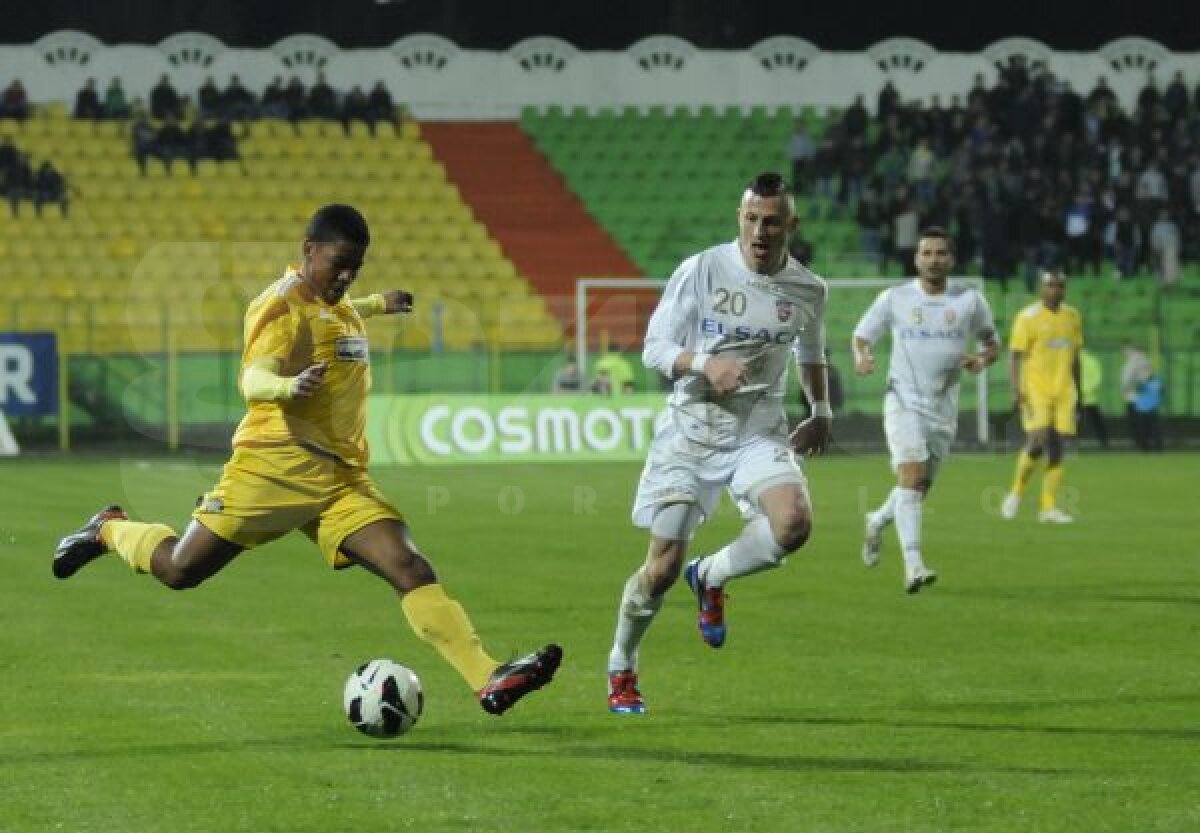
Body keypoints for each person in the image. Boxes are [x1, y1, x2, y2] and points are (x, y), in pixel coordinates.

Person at [51, 204, 561, 717]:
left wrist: (378, 303)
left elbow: (335, 313)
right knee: (181, 570)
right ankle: (109, 530)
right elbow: (253, 378)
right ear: (309, 250)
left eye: (356, 267)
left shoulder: (336, 302)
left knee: (408, 565)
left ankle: (487, 675)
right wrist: (287, 386)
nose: (346, 276)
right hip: (274, 467)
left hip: (339, 479)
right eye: (338, 263)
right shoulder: (278, 307)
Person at [605, 173, 832, 714]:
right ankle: (622, 664)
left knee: (794, 524)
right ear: (740, 217)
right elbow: (655, 347)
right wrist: (705, 363)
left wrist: (821, 411)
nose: (759, 230)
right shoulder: (703, 269)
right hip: (691, 430)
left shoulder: (808, 290)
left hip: (757, 431)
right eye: (751, 219)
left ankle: (710, 575)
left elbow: (810, 353)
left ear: (790, 226)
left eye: (771, 221)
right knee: (658, 570)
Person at [854, 227, 999, 592]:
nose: (933, 260)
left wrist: (982, 360)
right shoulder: (895, 298)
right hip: (903, 401)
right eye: (927, 253)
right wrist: (864, 356)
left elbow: (991, 343)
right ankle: (914, 565)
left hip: (943, 409)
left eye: (940, 253)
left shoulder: (970, 301)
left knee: (917, 487)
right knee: (912, 471)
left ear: (951, 259)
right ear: (916, 259)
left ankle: (876, 521)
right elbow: (862, 336)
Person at [1000, 271, 1083, 523]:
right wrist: (1016, 389)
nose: (1055, 290)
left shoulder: (1072, 316)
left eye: (1060, 286)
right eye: (1050, 286)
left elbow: (1075, 356)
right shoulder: (1028, 317)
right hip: (1036, 390)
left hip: (1065, 391)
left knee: (1058, 448)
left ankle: (1048, 509)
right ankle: (1015, 492)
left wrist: (1080, 391)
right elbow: (1015, 356)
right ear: (1041, 288)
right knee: (1039, 440)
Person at [1120, 342, 1153, 448]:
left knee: (1138, 421)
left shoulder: (1138, 361)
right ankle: (1141, 442)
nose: (1122, 352)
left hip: (1136, 397)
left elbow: (1140, 377)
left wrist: (1128, 386)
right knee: (1138, 421)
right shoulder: (1136, 360)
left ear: (1131, 349)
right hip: (1133, 396)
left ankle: (1142, 443)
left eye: (1124, 349)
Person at [1078, 348, 1109, 449]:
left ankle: (1071, 442)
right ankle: (1104, 441)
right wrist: (1087, 390)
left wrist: (1079, 391)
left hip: (1075, 397)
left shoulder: (1069, 360)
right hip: (1090, 397)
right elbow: (1098, 379)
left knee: (1072, 421)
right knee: (1097, 421)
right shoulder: (1092, 361)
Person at [1131, 371, 1164, 452]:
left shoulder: (1156, 381)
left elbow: (1162, 391)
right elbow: (1137, 390)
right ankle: (1145, 447)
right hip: (1142, 408)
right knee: (1144, 429)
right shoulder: (1142, 382)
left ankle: (1158, 447)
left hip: (1151, 408)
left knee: (1154, 429)